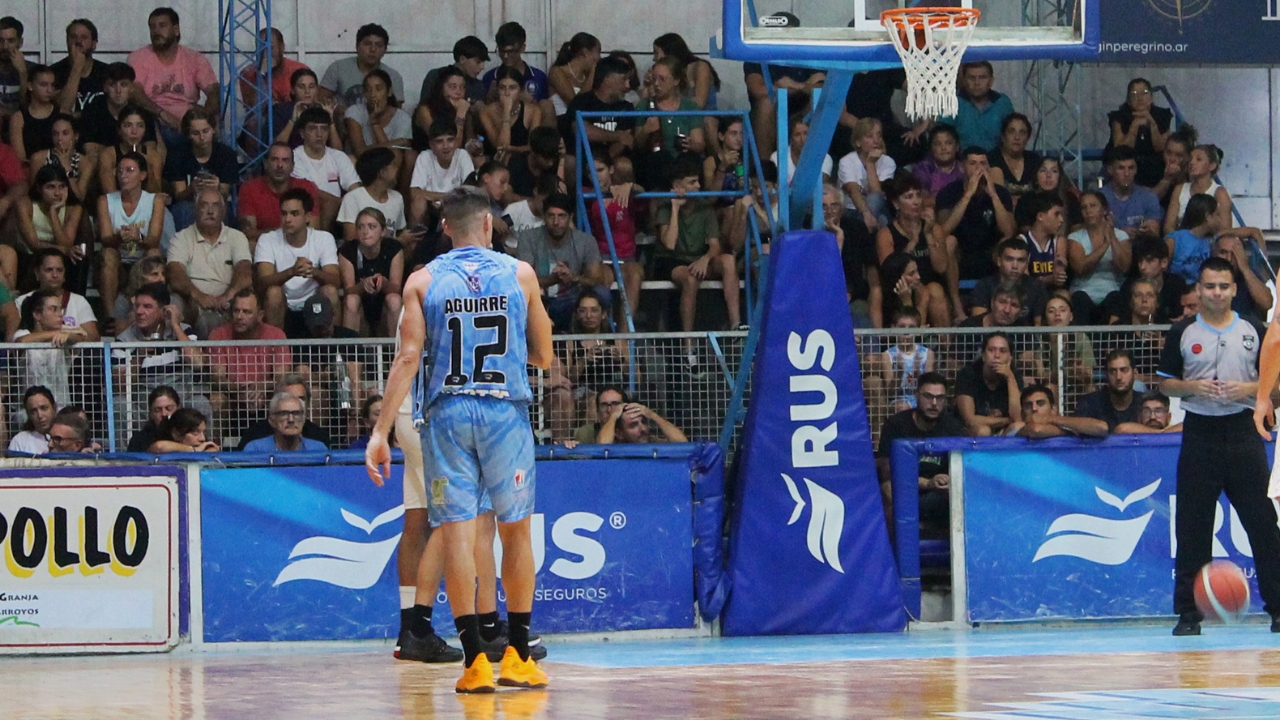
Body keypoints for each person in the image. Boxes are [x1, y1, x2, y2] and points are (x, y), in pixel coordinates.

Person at [366, 186, 554, 692]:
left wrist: (380, 432)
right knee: (514, 531)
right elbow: (544, 356)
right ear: (489, 225)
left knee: (456, 533)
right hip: (504, 414)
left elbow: (407, 360)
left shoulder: (423, 280)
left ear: (445, 228)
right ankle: (516, 652)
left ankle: (474, 662)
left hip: (447, 416)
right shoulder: (521, 275)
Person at [1160, 257, 1280, 636]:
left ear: (1233, 289)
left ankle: (1278, 608)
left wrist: (1247, 389)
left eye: (1224, 286)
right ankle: (1188, 614)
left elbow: (1275, 390)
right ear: (1198, 289)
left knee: (1263, 524)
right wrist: (1191, 388)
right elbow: (1165, 383)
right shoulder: (1181, 331)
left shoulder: (1255, 331)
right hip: (1199, 434)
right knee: (1192, 527)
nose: (1216, 293)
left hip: (1245, 433)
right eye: (1209, 286)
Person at [654, 157, 741, 363]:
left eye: (697, 181)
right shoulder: (665, 207)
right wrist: (675, 209)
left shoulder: (704, 207)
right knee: (691, 279)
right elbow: (669, 244)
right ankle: (688, 347)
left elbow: (715, 245)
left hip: (697, 259)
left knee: (728, 260)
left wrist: (705, 259)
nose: (699, 186)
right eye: (692, 182)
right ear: (677, 186)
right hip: (671, 261)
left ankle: (736, 326)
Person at [875, 372, 966, 537]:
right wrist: (927, 483)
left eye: (939, 398)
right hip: (907, 491)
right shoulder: (896, 425)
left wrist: (948, 480)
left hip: (938, 495)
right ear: (916, 395)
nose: (934, 403)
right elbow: (888, 474)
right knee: (887, 489)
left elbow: (962, 469)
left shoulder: (953, 427)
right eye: (928, 396)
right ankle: (896, 557)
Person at [166, 188, 254, 338]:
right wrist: (198, 296)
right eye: (204, 205)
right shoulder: (181, 238)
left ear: (224, 211)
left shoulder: (236, 237)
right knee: (174, 301)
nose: (210, 211)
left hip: (229, 302)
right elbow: (175, 274)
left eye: (215, 206)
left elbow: (245, 272)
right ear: (195, 209)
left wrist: (228, 295)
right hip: (193, 302)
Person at [515, 193, 609, 332]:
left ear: (570, 217)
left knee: (602, 293)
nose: (556, 222)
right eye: (551, 216)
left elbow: (596, 279)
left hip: (573, 302)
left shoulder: (585, 241)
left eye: (562, 216)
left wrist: (573, 278)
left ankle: (597, 344)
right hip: (539, 301)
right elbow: (523, 281)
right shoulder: (528, 238)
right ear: (544, 217)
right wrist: (554, 279)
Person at [254, 188, 340, 336]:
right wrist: (292, 272)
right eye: (284, 213)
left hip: (313, 301)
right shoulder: (267, 239)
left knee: (330, 291)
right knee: (273, 293)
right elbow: (262, 283)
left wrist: (313, 271)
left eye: (294, 214)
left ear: (307, 217)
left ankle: (332, 351)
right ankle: (274, 353)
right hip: (283, 303)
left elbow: (336, 280)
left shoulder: (324, 238)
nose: (287, 219)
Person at [127, 8, 219, 147]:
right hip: (151, 119)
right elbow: (135, 92)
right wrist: (162, 114)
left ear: (176, 30)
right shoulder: (138, 57)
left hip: (187, 122)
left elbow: (214, 92)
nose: (156, 31)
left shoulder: (194, 58)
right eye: (152, 27)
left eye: (162, 25)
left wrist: (203, 116)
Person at [875, 175, 957, 328]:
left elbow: (941, 267)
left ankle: (946, 350)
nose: (916, 201)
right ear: (896, 203)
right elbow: (891, 274)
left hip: (931, 286)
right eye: (908, 197)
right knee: (927, 291)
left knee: (934, 289)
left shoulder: (934, 229)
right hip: (901, 290)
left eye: (918, 195)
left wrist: (927, 234)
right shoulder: (886, 234)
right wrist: (912, 243)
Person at [741, 13, 824, 159]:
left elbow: (823, 88)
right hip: (769, 115)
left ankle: (811, 163)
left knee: (818, 101)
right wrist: (804, 86)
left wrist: (793, 85)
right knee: (766, 103)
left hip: (801, 114)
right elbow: (758, 90)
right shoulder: (757, 58)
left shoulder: (808, 56)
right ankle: (766, 170)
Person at [97, 152, 166, 321]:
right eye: (120, 171)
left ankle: (152, 313)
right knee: (108, 254)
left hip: (142, 258)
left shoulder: (155, 200)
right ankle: (110, 318)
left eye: (129, 170)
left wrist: (138, 237)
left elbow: (154, 239)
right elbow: (105, 238)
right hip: (119, 261)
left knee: (154, 254)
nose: (123, 175)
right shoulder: (105, 200)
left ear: (142, 175)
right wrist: (119, 237)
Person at [208, 288, 291, 422]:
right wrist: (243, 389)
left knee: (286, 395)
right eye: (236, 311)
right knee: (216, 399)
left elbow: (282, 377)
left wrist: (263, 386)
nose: (240, 317)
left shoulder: (276, 335)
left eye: (247, 312)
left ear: (260, 315)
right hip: (232, 395)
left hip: (268, 395)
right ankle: (216, 444)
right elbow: (218, 378)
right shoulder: (219, 335)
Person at [935, 146, 1015, 281]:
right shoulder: (948, 192)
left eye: (983, 163)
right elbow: (943, 230)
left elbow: (1008, 231)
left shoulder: (1000, 193)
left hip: (991, 252)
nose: (979, 168)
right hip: (960, 253)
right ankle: (955, 300)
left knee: (1009, 243)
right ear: (962, 168)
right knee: (949, 242)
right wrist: (968, 195)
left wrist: (993, 195)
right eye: (973, 163)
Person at [585, 156, 643, 323]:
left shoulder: (625, 192)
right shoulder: (587, 195)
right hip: (601, 257)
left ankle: (623, 340)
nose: (595, 176)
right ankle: (603, 334)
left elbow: (643, 193)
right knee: (597, 279)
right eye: (590, 172)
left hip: (626, 257)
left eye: (600, 170)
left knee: (635, 275)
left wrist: (631, 186)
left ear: (611, 169)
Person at [163, 106, 239, 230]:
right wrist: (192, 189)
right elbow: (178, 195)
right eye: (196, 133)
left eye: (206, 131)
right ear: (188, 134)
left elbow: (224, 194)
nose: (202, 138)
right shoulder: (177, 154)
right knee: (183, 210)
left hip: (215, 201)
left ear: (213, 130)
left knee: (224, 208)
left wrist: (217, 187)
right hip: (188, 203)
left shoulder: (226, 154)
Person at [236, 142, 322, 245]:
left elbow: (313, 230)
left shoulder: (307, 188)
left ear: (292, 166)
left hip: (301, 247)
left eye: (285, 160)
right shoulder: (249, 188)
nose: (279, 165)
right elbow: (248, 234)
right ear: (266, 164)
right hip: (266, 247)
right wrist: (290, 231)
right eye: (274, 159)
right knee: (250, 245)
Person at [290, 107, 361, 229]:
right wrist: (343, 203)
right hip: (307, 211)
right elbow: (312, 191)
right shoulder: (294, 157)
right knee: (328, 204)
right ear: (302, 133)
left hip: (339, 214)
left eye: (324, 129)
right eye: (313, 128)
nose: (319, 134)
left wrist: (350, 203)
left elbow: (356, 189)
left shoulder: (338, 156)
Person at [13, 288, 84, 407]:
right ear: (37, 314)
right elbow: (21, 342)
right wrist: (57, 333)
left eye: (60, 309)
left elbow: (81, 335)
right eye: (53, 309)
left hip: (61, 408)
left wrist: (68, 334)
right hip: (31, 411)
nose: (60, 314)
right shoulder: (22, 333)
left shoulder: (64, 335)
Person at [1067, 190, 1130, 324]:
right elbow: (1080, 268)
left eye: (1093, 206)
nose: (1088, 210)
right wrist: (1105, 244)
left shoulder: (1121, 236)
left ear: (1105, 210)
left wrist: (1112, 237)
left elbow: (1124, 266)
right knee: (1079, 299)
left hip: (1112, 291)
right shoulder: (1075, 237)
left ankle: (1113, 342)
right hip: (1082, 291)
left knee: (1117, 299)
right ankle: (1082, 343)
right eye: (1084, 207)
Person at [339, 207, 404, 336]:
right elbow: (348, 291)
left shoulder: (393, 248)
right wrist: (362, 285)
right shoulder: (347, 250)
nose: (365, 232)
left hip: (384, 313)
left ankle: (396, 352)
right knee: (351, 300)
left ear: (383, 231)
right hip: (361, 312)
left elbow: (397, 289)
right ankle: (351, 353)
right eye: (361, 227)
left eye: (372, 227)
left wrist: (384, 283)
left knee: (394, 299)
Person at [562, 56, 636, 162]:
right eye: (624, 79)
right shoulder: (581, 102)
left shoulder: (626, 107)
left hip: (610, 164)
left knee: (624, 165)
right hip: (582, 162)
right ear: (608, 78)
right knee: (569, 162)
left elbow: (625, 140)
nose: (628, 85)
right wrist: (617, 135)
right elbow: (582, 130)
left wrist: (600, 165)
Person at [15, 248, 99, 340]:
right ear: (37, 273)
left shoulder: (79, 301)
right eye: (49, 270)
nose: (55, 275)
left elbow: (93, 338)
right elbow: (15, 341)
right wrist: (62, 333)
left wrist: (71, 337)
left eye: (59, 270)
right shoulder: (21, 301)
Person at [1105, 78, 1173, 189]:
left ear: (1151, 98)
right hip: (1128, 167)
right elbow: (1120, 150)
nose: (1140, 98)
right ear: (1128, 100)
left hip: (1155, 167)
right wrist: (1134, 126)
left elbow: (1161, 147)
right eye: (1134, 94)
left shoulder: (1162, 115)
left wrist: (1152, 124)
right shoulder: (1119, 117)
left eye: (1144, 93)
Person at [236, 374, 334, 450]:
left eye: (301, 399)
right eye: (288, 399)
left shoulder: (319, 440)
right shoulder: (254, 440)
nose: (295, 403)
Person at [319, 23, 404, 111]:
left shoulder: (393, 76)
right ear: (357, 46)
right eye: (367, 44)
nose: (373, 49)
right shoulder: (338, 68)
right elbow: (321, 101)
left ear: (385, 50)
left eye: (378, 45)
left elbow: (396, 114)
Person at [79, 63, 160, 154]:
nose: (118, 91)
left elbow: (150, 149)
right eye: (112, 85)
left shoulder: (142, 112)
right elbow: (90, 148)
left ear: (131, 87)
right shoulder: (92, 110)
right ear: (105, 87)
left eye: (123, 84)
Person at [409, 118, 475, 228]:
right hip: (431, 209)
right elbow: (415, 193)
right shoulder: (425, 157)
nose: (446, 146)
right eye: (439, 141)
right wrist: (445, 197)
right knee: (418, 203)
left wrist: (445, 200)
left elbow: (470, 191)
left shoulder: (462, 155)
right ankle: (415, 242)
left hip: (455, 208)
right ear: (431, 145)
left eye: (450, 140)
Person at [16, 164, 85, 267]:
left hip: (60, 260)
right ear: (39, 188)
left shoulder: (74, 208)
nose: (57, 193)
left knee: (75, 258)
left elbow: (66, 244)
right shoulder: (25, 205)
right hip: (28, 258)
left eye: (62, 186)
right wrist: (64, 250)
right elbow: (34, 245)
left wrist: (53, 213)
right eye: (51, 187)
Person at [955, 332, 1023, 436]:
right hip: (972, 433)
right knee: (984, 431)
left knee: (1018, 426)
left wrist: (1010, 378)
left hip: (1003, 433)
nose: (996, 355)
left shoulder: (1014, 375)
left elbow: (1017, 418)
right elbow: (969, 420)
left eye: (1002, 351)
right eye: (991, 350)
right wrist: (1005, 420)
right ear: (983, 355)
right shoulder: (968, 374)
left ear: (1010, 357)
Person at [936, 62, 1014, 152]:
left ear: (991, 81)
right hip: (962, 163)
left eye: (982, 77)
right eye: (971, 78)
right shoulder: (953, 102)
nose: (977, 83)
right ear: (964, 80)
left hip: (997, 163)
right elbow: (941, 137)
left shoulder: (1002, 102)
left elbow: (1013, 134)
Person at [338, 147, 410, 242]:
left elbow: (399, 231)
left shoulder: (397, 198)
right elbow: (351, 239)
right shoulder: (353, 198)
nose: (397, 169)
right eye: (393, 165)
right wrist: (397, 242)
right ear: (382, 172)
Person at [969, 238, 1047, 325]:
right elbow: (979, 324)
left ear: (1027, 263)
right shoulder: (984, 286)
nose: (1015, 266)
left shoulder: (1036, 287)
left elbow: (1039, 327)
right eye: (1009, 259)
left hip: (1024, 337)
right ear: (999, 261)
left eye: (1021, 260)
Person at [96, 104, 166, 195]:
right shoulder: (108, 156)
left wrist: (147, 167)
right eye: (127, 125)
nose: (134, 132)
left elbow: (155, 194)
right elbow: (110, 195)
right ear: (119, 130)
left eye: (140, 126)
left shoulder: (153, 156)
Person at [1164, 144, 1233, 236]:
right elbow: (1168, 226)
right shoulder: (1179, 189)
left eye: (1198, 159)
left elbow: (1225, 230)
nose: (1192, 163)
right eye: (1190, 159)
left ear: (1212, 166)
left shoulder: (1220, 193)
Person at [838, 118, 894, 230]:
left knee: (877, 207)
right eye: (869, 136)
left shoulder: (888, 162)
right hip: (852, 210)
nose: (876, 141)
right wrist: (866, 214)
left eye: (879, 135)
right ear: (858, 142)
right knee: (880, 221)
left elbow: (877, 196)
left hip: (878, 209)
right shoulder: (846, 161)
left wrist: (870, 163)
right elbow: (853, 191)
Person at [29, 113, 96, 204]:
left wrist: (67, 167)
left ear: (76, 136)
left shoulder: (85, 163)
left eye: (65, 133)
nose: (59, 138)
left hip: (70, 207)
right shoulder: (38, 158)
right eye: (55, 134)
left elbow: (80, 198)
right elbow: (32, 194)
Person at [478, 66, 542, 160]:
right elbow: (501, 148)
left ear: (521, 90)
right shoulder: (486, 112)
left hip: (525, 160)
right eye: (502, 88)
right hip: (496, 160)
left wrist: (512, 149)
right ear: (497, 90)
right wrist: (506, 112)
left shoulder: (534, 111)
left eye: (512, 88)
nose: (507, 93)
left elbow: (533, 147)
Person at [344, 69, 413, 156]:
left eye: (378, 89)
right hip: (362, 163)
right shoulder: (354, 112)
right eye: (368, 90)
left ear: (389, 92)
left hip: (391, 164)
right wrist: (396, 143)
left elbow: (391, 157)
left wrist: (375, 124)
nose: (373, 95)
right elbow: (359, 152)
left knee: (407, 156)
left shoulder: (403, 118)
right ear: (364, 94)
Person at [1073, 349, 1142, 432]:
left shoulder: (1144, 403)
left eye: (1124, 370)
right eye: (1113, 371)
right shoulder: (1089, 403)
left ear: (1135, 373)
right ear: (1106, 375)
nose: (1118, 377)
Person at [1005, 383, 1109, 438]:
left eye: (1040, 403)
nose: (1034, 408)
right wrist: (1072, 434)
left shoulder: (1062, 423)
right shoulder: (1016, 429)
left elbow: (1102, 428)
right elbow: (1035, 430)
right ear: (1023, 413)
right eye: (1028, 406)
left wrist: (1051, 419)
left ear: (1054, 409)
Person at [272, 68, 341, 150]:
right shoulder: (280, 110)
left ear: (316, 89)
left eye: (311, 87)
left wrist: (330, 120)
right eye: (301, 87)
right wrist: (292, 120)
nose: (307, 91)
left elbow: (338, 152)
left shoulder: (322, 110)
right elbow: (277, 148)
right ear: (293, 90)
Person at [1100, 146, 1162, 237]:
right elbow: (1095, 233)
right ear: (1110, 170)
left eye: (1131, 168)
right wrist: (1121, 234)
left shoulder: (1149, 197)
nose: (1127, 173)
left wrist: (1148, 231)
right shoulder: (1100, 198)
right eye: (1121, 168)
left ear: (1136, 170)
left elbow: (1155, 232)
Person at [412, 66, 475, 157]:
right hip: (430, 157)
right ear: (440, 88)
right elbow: (449, 147)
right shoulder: (425, 110)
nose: (459, 92)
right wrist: (460, 115)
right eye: (453, 87)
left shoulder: (463, 107)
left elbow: (470, 141)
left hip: (458, 158)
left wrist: (474, 146)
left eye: (462, 87)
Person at [1212, 231, 1273, 322]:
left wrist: (1245, 268)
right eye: (1223, 252)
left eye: (1234, 253)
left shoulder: (1250, 274)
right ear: (1214, 254)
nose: (1228, 258)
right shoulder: (1206, 275)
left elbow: (1267, 303)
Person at [879, 308, 934, 412]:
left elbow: (929, 387)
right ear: (894, 328)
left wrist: (918, 374)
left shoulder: (927, 353)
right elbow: (890, 392)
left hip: (920, 398)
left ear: (918, 331)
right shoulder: (887, 355)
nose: (906, 332)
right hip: (898, 399)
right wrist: (899, 374)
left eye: (911, 327)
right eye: (902, 327)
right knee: (901, 407)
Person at [238, 28, 309, 107]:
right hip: (263, 118)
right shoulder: (248, 73)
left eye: (270, 48)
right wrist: (260, 74)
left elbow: (307, 104)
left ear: (282, 47)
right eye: (261, 49)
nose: (265, 54)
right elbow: (254, 107)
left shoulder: (299, 70)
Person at [483, 22, 549, 103]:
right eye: (501, 51)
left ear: (523, 48)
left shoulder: (539, 77)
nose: (506, 56)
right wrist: (488, 98)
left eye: (511, 51)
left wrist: (531, 101)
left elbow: (546, 110)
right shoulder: (489, 77)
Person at [51, 19, 106, 116]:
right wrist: (76, 67)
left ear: (94, 43)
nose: (78, 41)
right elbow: (63, 108)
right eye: (73, 37)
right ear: (67, 41)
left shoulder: (107, 72)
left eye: (84, 37)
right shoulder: (53, 72)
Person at [1165, 193, 1221, 285]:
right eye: (1217, 214)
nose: (1220, 219)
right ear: (1208, 217)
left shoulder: (1213, 241)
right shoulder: (1175, 240)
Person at [1016, 191, 1068, 290]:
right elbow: (1025, 280)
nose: (1061, 219)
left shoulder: (1059, 241)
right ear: (1040, 216)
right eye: (1056, 214)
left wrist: (1059, 271)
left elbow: (1059, 278)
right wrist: (1048, 279)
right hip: (1030, 294)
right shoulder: (1023, 240)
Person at [984, 113, 1040, 205]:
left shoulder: (1034, 160)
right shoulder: (991, 158)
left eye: (1022, 133)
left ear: (1028, 138)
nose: (1017, 137)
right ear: (1003, 136)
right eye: (1011, 131)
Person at [244, 392, 328, 452]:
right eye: (284, 414)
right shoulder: (255, 449)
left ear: (303, 419)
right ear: (272, 421)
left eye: (296, 413)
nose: (291, 419)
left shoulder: (318, 449)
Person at [9, 63, 57, 161]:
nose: (49, 90)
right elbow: (20, 159)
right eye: (43, 85)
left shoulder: (60, 113)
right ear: (30, 86)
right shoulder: (19, 118)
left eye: (52, 85)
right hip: (29, 171)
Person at [548, 32, 601, 121]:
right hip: (562, 119)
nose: (599, 57)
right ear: (585, 52)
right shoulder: (557, 71)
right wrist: (593, 71)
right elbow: (575, 103)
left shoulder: (586, 76)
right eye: (598, 52)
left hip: (584, 120)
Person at [912, 124, 963, 201]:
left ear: (957, 147)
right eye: (938, 144)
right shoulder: (923, 170)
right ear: (931, 148)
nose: (943, 148)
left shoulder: (964, 169)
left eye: (948, 143)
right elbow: (923, 200)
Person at [596, 401, 687, 444]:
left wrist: (652, 415)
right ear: (619, 433)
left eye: (644, 422)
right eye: (633, 425)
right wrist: (614, 416)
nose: (643, 428)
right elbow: (602, 447)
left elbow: (682, 443)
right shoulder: (614, 448)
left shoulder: (653, 442)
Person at [126, 386, 180, 452]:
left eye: (169, 408)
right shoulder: (139, 440)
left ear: (178, 409)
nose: (164, 414)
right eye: (157, 410)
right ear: (151, 413)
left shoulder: (189, 435)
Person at [9, 386, 56, 454]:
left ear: (54, 408)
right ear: (28, 414)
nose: (40, 415)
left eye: (44, 408)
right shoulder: (20, 441)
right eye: (33, 411)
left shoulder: (66, 437)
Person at [151, 407, 219, 453]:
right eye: (195, 432)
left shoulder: (205, 447)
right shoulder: (163, 450)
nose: (202, 439)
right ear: (176, 434)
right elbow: (159, 446)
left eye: (204, 432)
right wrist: (194, 450)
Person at [1114, 390, 1183, 434]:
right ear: (1139, 417)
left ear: (1169, 417)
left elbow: (1187, 427)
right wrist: (1160, 433)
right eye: (1147, 412)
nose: (1152, 417)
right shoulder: (1135, 431)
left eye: (1158, 411)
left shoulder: (1175, 432)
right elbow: (1121, 429)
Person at [0, 16, 25, 126]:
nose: (5, 46)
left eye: (10, 41)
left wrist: (23, 73)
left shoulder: (33, 70)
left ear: (20, 42)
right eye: (0, 41)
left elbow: (31, 110)